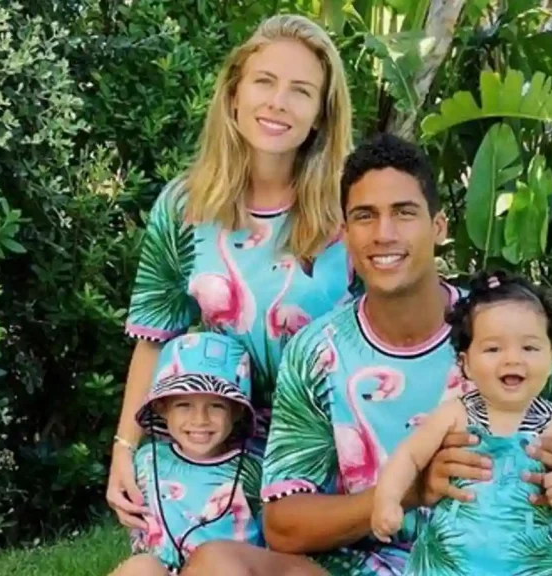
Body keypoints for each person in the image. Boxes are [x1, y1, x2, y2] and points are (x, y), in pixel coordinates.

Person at [183, 133, 552, 575]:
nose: (384, 234)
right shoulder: (318, 353)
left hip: (516, 562)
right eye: (364, 217)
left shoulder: (515, 336)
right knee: (217, 565)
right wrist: (413, 489)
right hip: (376, 565)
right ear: (346, 235)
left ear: (438, 226)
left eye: (404, 212)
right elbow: (286, 525)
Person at [107, 13, 355, 539]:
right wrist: (124, 449)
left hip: (322, 446)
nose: (278, 103)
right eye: (265, 82)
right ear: (235, 94)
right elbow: (155, 336)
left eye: (301, 91)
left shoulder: (350, 210)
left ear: (320, 116)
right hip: (213, 439)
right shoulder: (182, 206)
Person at [370, 270, 552, 574]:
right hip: (450, 563)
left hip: (529, 563)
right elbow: (409, 456)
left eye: (530, 348)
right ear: (465, 363)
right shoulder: (454, 414)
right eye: (494, 349)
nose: (513, 359)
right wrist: (388, 499)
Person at [110, 332, 323, 575]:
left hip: (225, 567)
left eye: (216, 406)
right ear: (162, 407)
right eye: (184, 405)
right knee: (139, 568)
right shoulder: (146, 461)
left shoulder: (255, 467)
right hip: (162, 569)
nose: (200, 420)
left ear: (236, 412)